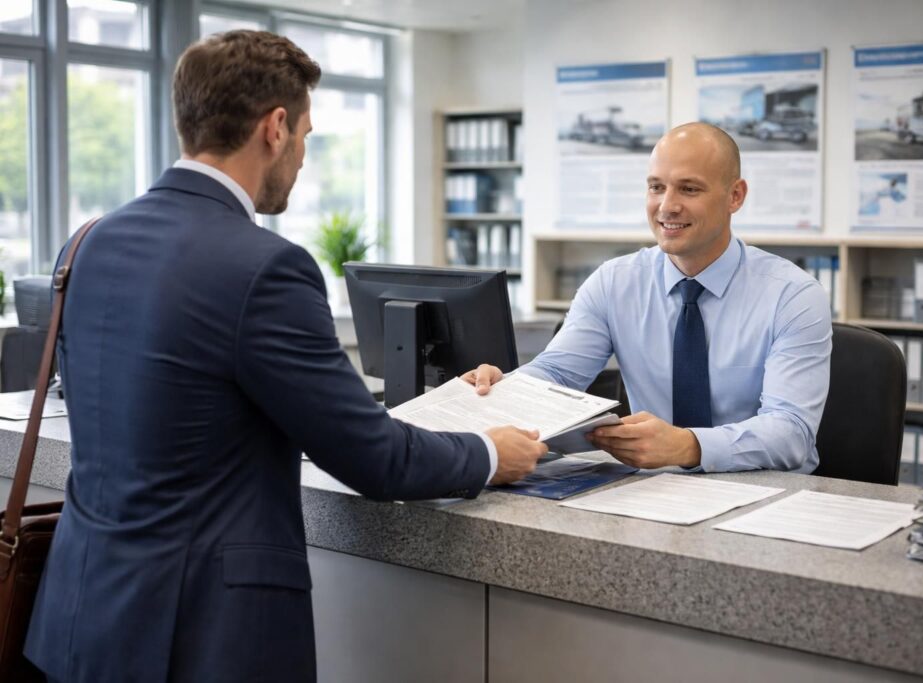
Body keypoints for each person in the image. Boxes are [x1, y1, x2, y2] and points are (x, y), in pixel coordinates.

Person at [25, 30, 546, 683]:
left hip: (81, 621)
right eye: (305, 133)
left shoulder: (86, 244)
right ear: (275, 127)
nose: (302, 155)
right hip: (200, 638)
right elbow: (374, 458)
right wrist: (491, 451)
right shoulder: (264, 267)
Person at [465, 122, 831, 473]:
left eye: (689, 189)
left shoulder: (792, 295)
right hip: (655, 487)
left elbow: (791, 432)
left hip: (765, 491)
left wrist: (689, 445)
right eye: (657, 187)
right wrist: (506, 389)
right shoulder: (614, 283)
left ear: (735, 196)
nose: (667, 206)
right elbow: (556, 375)